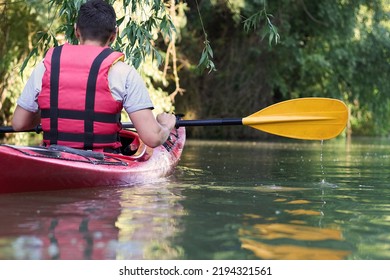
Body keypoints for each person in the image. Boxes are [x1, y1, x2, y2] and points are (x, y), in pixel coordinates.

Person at [11, 0, 176, 151]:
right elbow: (153, 138)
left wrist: (51, 113)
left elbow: (19, 123)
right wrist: (166, 126)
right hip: (102, 161)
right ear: (114, 35)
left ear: (76, 31)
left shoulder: (45, 66)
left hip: (53, 157)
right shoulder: (123, 73)